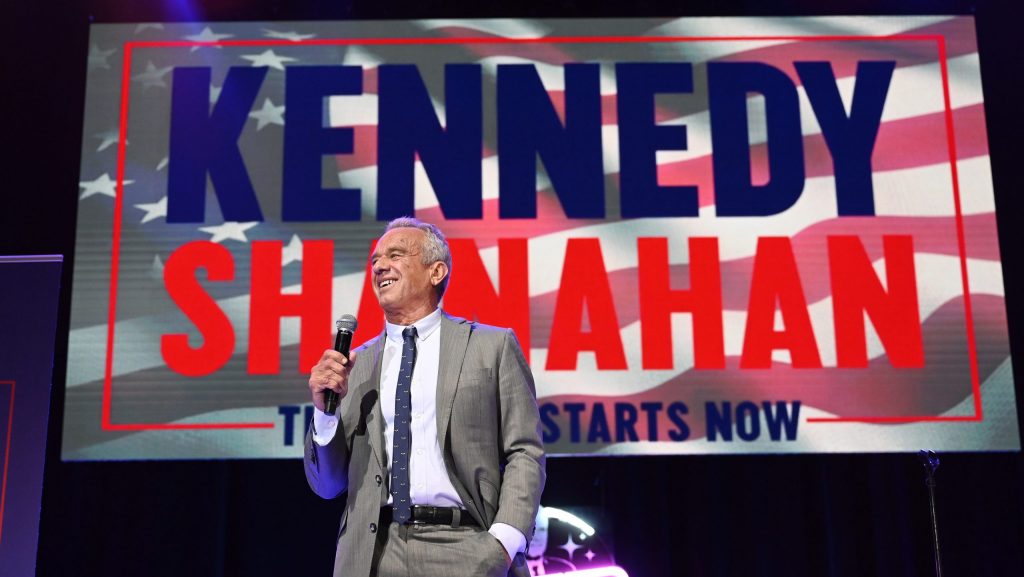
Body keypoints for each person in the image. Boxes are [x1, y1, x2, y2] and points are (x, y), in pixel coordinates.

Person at [304, 217, 546, 577]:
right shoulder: (355, 365)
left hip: (466, 545)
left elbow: (525, 451)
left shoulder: (490, 347)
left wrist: (503, 541)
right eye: (375, 261)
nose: (380, 266)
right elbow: (327, 485)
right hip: (373, 555)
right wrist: (325, 415)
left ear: (436, 272)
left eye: (396, 255)